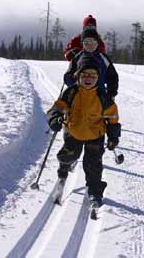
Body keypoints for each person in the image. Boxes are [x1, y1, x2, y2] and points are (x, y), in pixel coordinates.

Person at [47, 56, 121, 206]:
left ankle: (94, 192)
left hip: (95, 135)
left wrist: (113, 137)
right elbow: (57, 108)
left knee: (93, 165)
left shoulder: (103, 97)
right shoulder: (71, 93)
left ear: (98, 78)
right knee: (68, 155)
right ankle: (63, 171)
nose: (88, 78)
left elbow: (113, 117)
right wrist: (55, 118)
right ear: (78, 76)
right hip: (73, 132)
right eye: (85, 75)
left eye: (93, 76)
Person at [64, 27, 119, 101]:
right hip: (79, 96)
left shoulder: (103, 58)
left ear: (97, 43)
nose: (90, 45)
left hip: (99, 97)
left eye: (93, 42)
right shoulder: (77, 58)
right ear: (82, 43)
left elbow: (112, 77)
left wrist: (111, 93)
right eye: (86, 42)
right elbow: (68, 76)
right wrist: (74, 84)